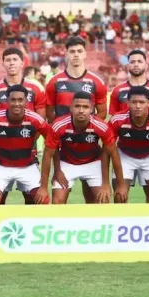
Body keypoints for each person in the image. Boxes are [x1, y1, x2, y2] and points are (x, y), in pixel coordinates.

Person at [44, 36, 108, 204]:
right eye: (72, 51)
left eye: (79, 51)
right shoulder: (54, 82)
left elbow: (102, 112)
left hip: (90, 147)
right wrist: (65, 129)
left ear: (85, 53)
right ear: (66, 54)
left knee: (95, 200)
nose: (76, 55)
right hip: (64, 149)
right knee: (58, 201)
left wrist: (84, 128)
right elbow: (50, 113)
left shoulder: (96, 82)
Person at [40, 92, 124, 204]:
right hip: (67, 163)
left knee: (103, 201)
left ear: (92, 109)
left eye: (85, 107)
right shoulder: (59, 125)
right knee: (57, 201)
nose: (81, 110)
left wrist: (111, 184)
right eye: (77, 106)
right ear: (71, 108)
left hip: (92, 162)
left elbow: (113, 154)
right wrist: (45, 186)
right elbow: (47, 155)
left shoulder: (101, 127)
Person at [0, 85, 50, 205]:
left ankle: (29, 223)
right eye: (13, 100)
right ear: (7, 101)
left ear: (26, 101)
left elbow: (51, 141)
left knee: (43, 200)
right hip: (1, 166)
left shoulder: (36, 119)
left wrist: (44, 186)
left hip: (27, 166)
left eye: (20, 100)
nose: (17, 103)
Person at [108, 86, 149, 203]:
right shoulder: (117, 120)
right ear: (128, 103)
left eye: (142, 102)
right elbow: (110, 151)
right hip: (125, 156)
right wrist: (120, 183)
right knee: (119, 196)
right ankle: (124, 221)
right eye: (134, 102)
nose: (138, 106)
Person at [0, 47, 47, 118]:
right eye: (8, 60)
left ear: (22, 63)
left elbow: (41, 121)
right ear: (3, 64)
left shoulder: (36, 88)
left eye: (15, 60)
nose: (11, 63)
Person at [109, 49, 149, 115]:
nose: (136, 64)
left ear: (146, 65)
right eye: (132, 62)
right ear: (128, 66)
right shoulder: (117, 91)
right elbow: (114, 119)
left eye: (140, 61)